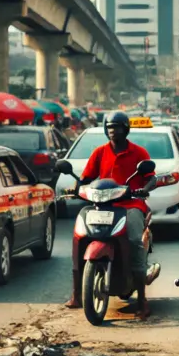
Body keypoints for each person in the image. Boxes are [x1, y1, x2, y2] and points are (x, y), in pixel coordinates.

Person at [66, 111, 161, 319]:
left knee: (135, 240)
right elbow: (86, 177)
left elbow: (151, 178)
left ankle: (142, 301)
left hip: (130, 205)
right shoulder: (100, 152)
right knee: (79, 236)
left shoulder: (138, 152)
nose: (112, 132)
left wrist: (144, 189)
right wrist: (76, 188)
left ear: (125, 129)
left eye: (116, 127)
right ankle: (76, 294)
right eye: (109, 128)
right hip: (101, 205)